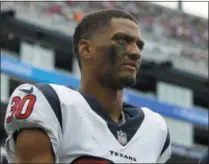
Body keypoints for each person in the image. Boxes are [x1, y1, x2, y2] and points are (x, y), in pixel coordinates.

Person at [4, 9, 171, 163]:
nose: (135, 52)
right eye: (122, 41)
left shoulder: (154, 128)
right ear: (86, 49)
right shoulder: (52, 103)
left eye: (139, 45)